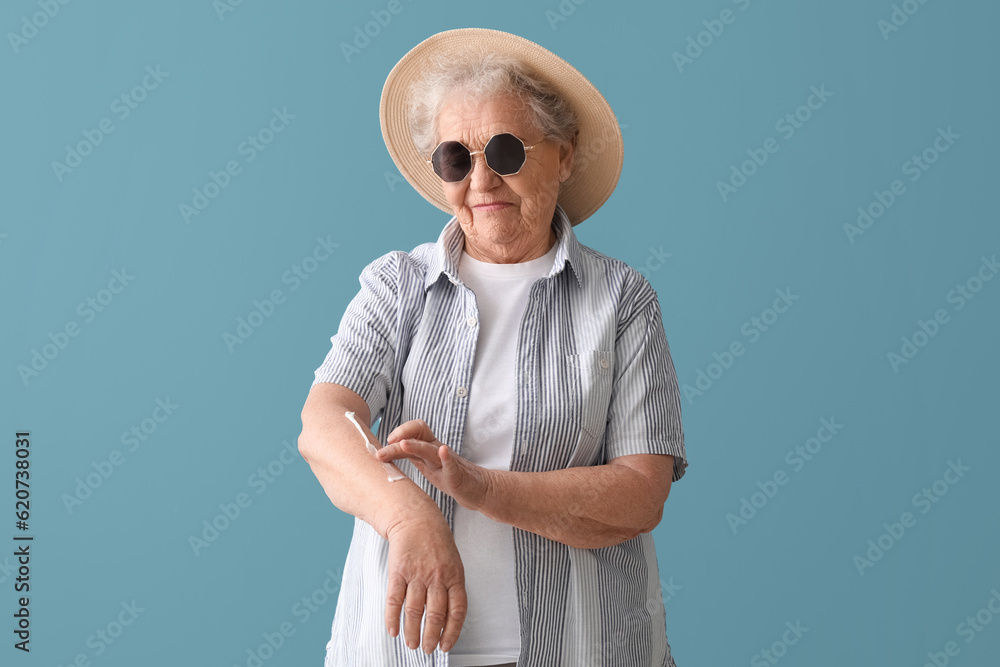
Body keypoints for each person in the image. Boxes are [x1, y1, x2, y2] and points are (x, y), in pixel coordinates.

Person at [298, 28, 687, 667]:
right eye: (456, 158)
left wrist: (477, 487)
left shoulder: (622, 300)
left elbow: (640, 494)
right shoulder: (398, 286)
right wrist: (408, 516)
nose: (481, 178)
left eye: (505, 151)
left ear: (563, 156)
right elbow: (324, 424)